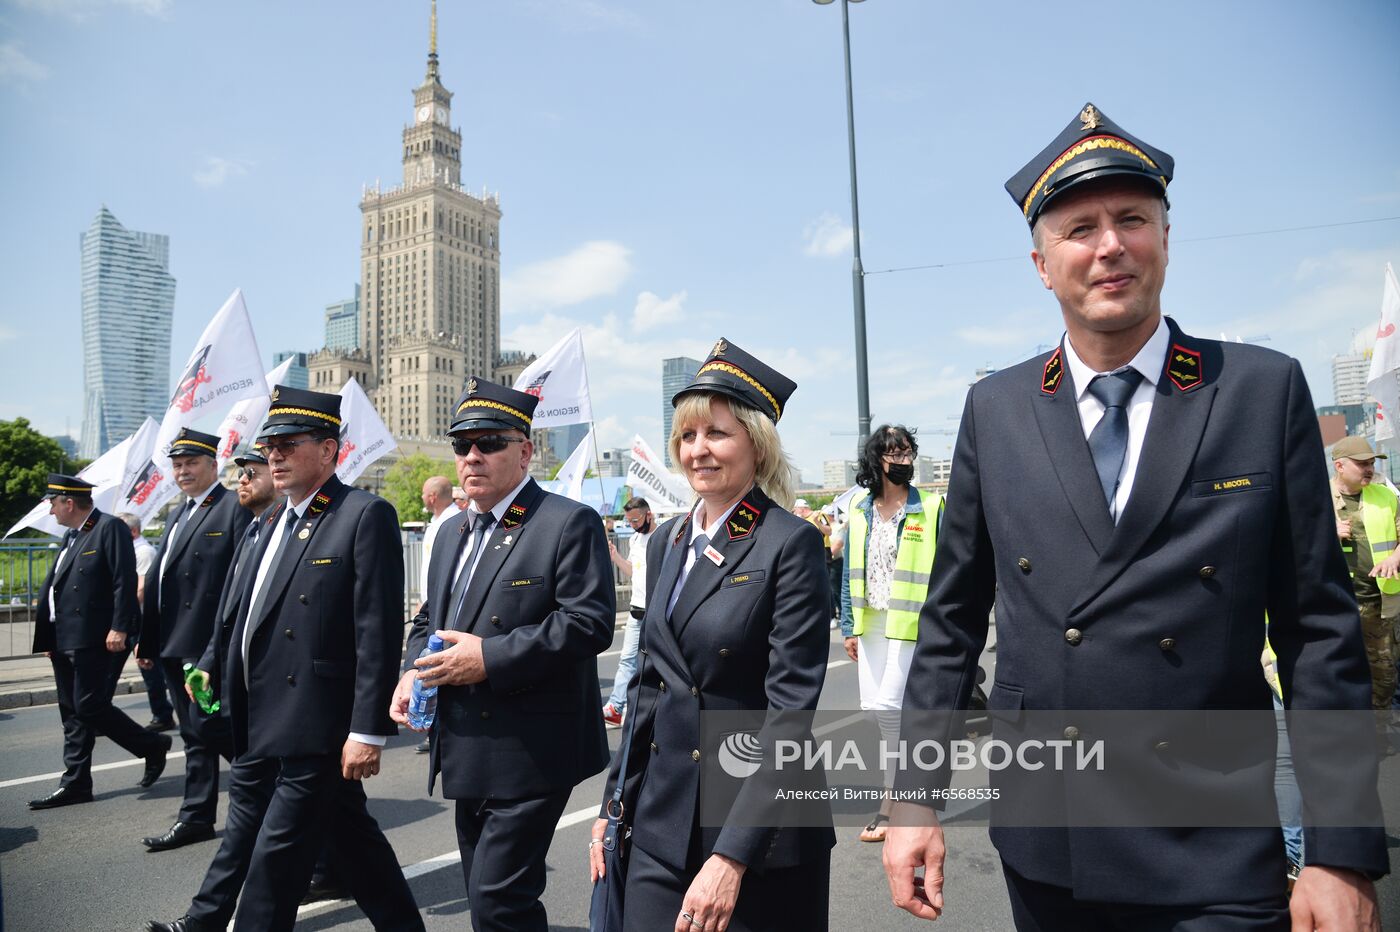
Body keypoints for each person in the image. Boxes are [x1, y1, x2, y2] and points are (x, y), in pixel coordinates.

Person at [882, 102, 1387, 929]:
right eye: (1079, 227)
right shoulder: (997, 409)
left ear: (1165, 236)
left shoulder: (1259, 390)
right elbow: (950, 624)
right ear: (1042, 264)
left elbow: (1319, 633)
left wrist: (1339, 849)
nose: (1110, 244)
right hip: (1053, 837)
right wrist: (914, 801)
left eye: (1132, 219)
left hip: (1215, 839)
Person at [146, 387, 422, 932]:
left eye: (287, 444)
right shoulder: (268, 522)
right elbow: (241, 614)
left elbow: (377, 629)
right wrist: (213, 662)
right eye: (269, 443)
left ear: (328, 450)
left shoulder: (363, 515)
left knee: (275, 862)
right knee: (348, 843)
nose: (273, 454)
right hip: (257, 718)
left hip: (314, 723)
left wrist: (367, 730)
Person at [589, 339, 835, 931]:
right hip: (661, 818)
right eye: (688, 436)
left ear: (758, 442)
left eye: (718, 434)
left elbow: (789, 716)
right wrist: (611, 807)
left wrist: (731, 856)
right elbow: (650, 687)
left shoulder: (787, 544)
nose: (699, 451)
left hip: (758, 829)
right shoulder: (665, 541)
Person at [389, 375, 615, 932]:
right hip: (466, 744)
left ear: (524, 450)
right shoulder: (450, 533)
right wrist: (410, 671)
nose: (472, 456)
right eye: (462, 445)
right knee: (488, 899)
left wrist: (489, 656)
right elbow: (428, 620)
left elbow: (588, 624)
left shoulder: (565, 521)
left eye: (489, 443)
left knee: (498, 901)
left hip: (532, 747)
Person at [138, 427, 251, 852]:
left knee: (210, 727)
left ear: (212, 465)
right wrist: (147, 641)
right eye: (178, 465)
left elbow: (238, 584)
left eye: (191, 464)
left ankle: (268, 790)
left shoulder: (231, 508)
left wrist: (215, 653)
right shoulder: (178, 513)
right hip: (172, 644)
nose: (183, 472)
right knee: (193, 734)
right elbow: (161, 582)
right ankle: (197, 817)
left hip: (205, 648)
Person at [29, 474, 171, 810]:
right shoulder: (72, 535)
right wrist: (50, 634)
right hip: (64, 635)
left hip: (95, 635)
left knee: (89, 705)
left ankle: (151, 745)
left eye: (52, 503)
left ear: (68, 502)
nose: (49, 510)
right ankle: (76, 783)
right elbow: (59, 586)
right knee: (72, 713)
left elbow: (123, 579)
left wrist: (120, 627)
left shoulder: (109, 528)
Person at [838, 424, 941, 843]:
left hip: (910, 622)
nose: (903, 461)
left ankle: (894, 805)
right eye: (894, 454)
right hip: (871, 623)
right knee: (878, 713)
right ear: (876, 460)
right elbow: (848, 572)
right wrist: (849, 626)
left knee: (890, 710)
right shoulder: (861, 507)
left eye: (907, 453)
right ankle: (911, 796)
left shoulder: (931, 506)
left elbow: (950, 570)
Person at [1329, 435, 1399, 723]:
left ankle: (1377, 738)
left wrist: (1395, 557)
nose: (1369, 468)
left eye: (1371, 463)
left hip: (1379, 605)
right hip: (1335, 606)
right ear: (1340, 466)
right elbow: (1289, 545)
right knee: (1338, 675)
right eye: (1362, 464)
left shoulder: (1385, 495)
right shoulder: (1314, 498)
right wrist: (1326, 534)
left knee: (1384, 676)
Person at [116, 511, 177, 731]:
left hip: (139, 619)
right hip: (127, 619)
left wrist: (121, 612)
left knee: (150, 669)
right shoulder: (127, 551)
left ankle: (162, 714)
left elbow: (142, 588)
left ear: (133, 531)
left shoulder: (143, 552)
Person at [603, 496, 655, 727]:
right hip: (636, 612)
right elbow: (633, 572)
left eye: (636, 520)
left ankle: (654, 708)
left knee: (657, 663)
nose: (632, 524)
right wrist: (616, 557)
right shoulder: (634, 539)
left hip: (656, 612)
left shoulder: (662, 537)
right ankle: (616, 706)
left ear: (649, 515)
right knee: (627, 661)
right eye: (629, 521)